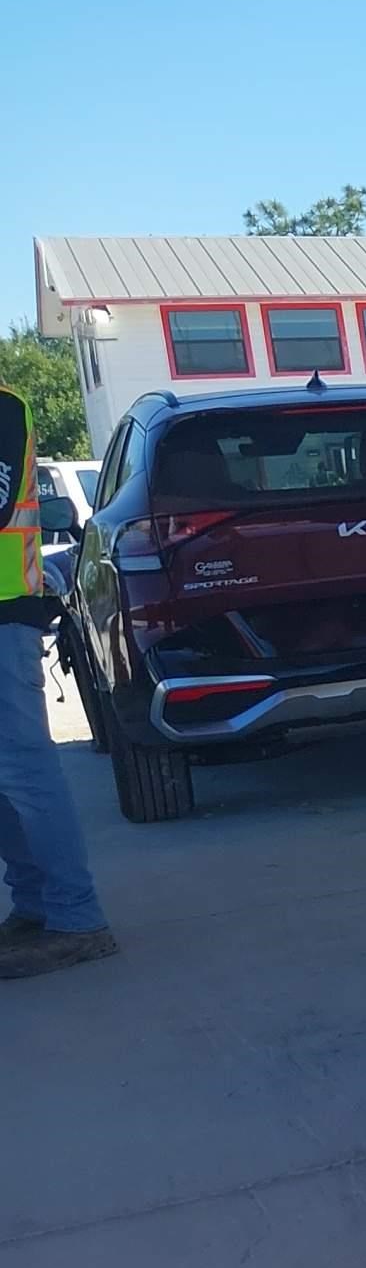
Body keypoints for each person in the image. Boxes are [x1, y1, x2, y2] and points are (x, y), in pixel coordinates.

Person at [0, 380, 116, 978]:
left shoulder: (2, 406)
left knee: (25, 771)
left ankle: (77, 918)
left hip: (3, 616)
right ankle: (36, 906)